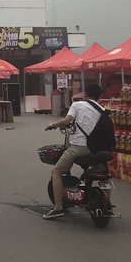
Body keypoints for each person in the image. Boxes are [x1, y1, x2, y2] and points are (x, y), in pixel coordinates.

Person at [43, 83, 104, 220]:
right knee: (103, 173)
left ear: (85, 94)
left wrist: (53, 125)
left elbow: (68, 120)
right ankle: (106, 203)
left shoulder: (77, 105)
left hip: (81, 147)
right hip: (98, 148)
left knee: (56, 171)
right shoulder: (102, 109)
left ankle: (58, 208)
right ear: (100, 96)